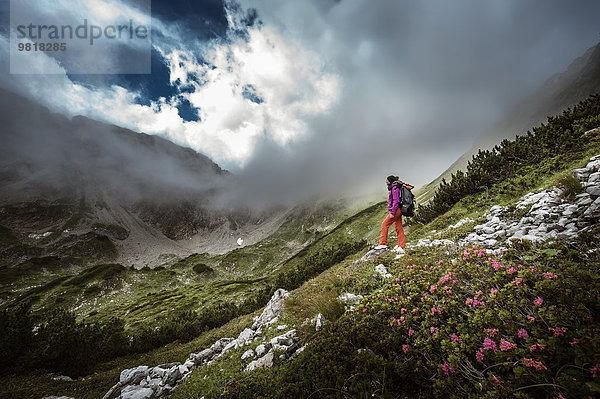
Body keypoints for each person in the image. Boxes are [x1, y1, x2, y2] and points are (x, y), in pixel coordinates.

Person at [374, 175, 405, 253]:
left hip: (396, 210)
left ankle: (383, 243)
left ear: (390, 181)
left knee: (384, 224)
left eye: (387, 180)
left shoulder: (394, 188)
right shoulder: (394, 187)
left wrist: (392, 212)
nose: (385, 181)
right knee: (398, 227)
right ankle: (401, 245)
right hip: (398, 210)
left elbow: (396, 201)